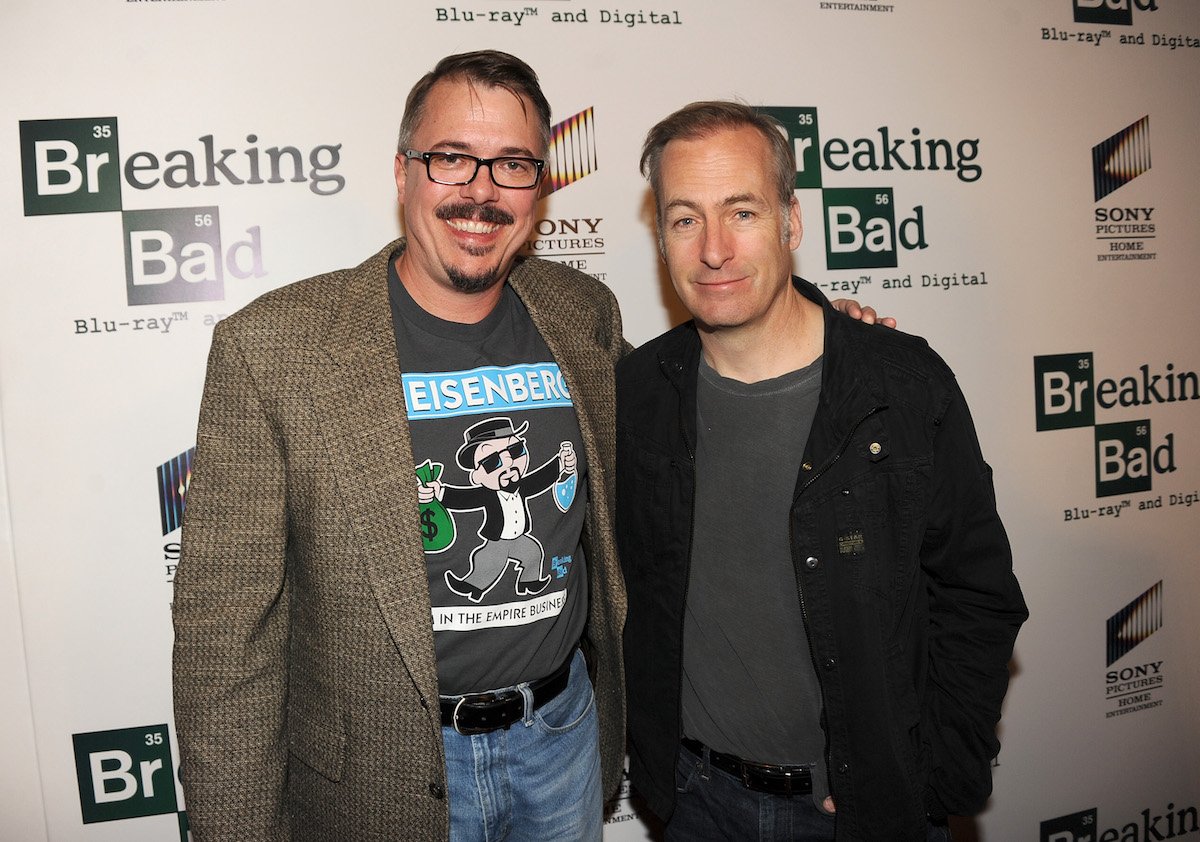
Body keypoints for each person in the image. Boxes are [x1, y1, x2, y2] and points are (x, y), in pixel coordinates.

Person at [171, 51, 627, 841]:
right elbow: (224, 639)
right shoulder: (274, 348)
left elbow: (682, 431)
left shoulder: (583, 312)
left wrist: (829, 344)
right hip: (382, 778)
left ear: (540, 187)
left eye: (512, 164)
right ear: (403, 171)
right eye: (452, 157)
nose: (480, 191)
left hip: (564, 742)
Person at [615, 101, 1028, 842]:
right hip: (694, 801)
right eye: (684, 219)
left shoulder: (899, 388)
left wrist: (932, 770)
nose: (713, 250)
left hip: (859, 815)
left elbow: (977, 595)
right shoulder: (638, 392)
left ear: (791, 222)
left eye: (741, 212)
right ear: (661, 237)